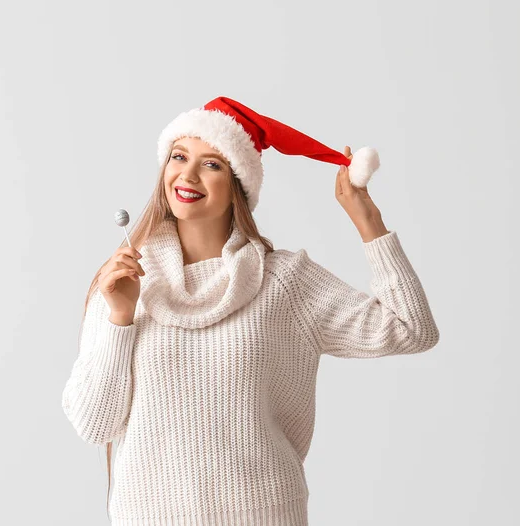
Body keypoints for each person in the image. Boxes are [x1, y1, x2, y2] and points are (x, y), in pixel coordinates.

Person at [61, 96, 440, 526]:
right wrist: (120, 320)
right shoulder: (124, 280)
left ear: (238, 184)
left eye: (212, 164)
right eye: (179, 156)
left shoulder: (284, 281)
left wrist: (367, 219)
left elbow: (412, 329)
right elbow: (94, 426)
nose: (187, 174)